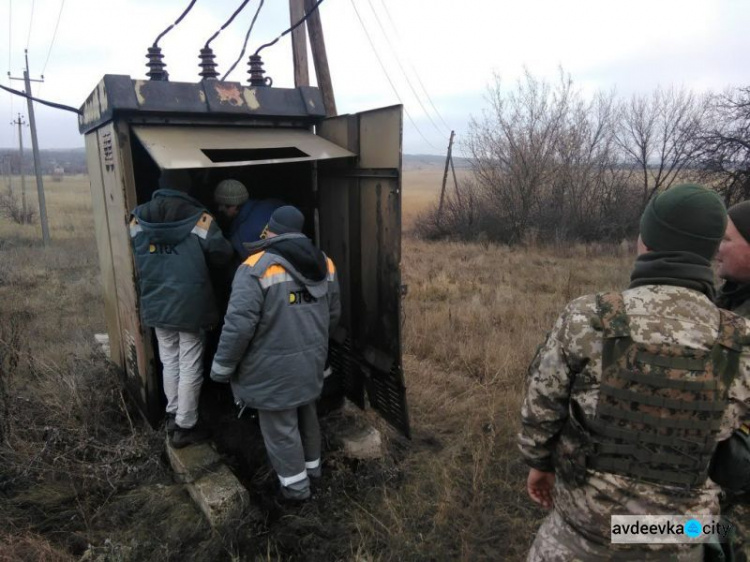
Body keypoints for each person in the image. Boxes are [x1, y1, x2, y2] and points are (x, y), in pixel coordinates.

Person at [518, 183, 750, 561]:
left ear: (646, 241)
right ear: (709, 250)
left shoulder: (589, 317)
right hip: (682, 535)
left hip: (586, 529)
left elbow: (540, 411)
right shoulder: (740, 338)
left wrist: (539, 465)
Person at [210, 205, 341, 501]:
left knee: (281, 430)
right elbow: (333, 315)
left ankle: (297, 493)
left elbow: (238, 328)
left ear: (271, 231)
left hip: (271, 373)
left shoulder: (254, 267)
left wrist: (222, 368)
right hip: (311, 365)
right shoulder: (326, 264)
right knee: (308, 416)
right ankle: (313, 474)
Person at [130, 169, 233, 448]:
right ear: (185, 188)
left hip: (157, 301)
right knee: (190, 363)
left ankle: (174, 413)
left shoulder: (137, 216)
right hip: (191, 305)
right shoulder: (200, 218)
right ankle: (186, 426)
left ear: (161, 186)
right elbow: (222, 253)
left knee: (169, 360)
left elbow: (135, 248)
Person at [213, 178, 284, 259]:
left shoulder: (240, 239)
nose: (220, 209)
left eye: (223, 206)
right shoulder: (272, 203)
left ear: (234, 206)